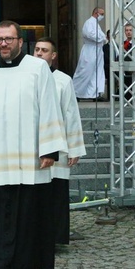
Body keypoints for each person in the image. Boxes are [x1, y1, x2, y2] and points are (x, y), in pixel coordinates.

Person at [0, 20, 66, 269]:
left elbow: (50, 108)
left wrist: (49, 149)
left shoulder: (38, 68)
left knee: (28, 215)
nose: (4, 44)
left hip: (28, 159)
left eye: (9, 39)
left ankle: (26, 263)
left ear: (20, 41)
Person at [34, 37, 86, 245]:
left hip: (58, 144)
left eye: (44, 50)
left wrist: (74, 148)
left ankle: (54, 238)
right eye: (36, 49)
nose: (39, 53)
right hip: (34, 145)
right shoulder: (26, 76)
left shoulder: (63, 80)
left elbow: (71, 114)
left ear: (53, 56)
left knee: (55, 193)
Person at [72, 7, 107, 100]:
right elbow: (89, 34)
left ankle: (95, 94)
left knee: (97, 72)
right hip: (90, 50)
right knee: (85, 71)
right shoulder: (89, 22)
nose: (102, 16)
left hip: (98, 50)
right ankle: (74, 92)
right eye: (102, 14)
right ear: (96, 13)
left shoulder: (95, 23)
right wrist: (102, 38)